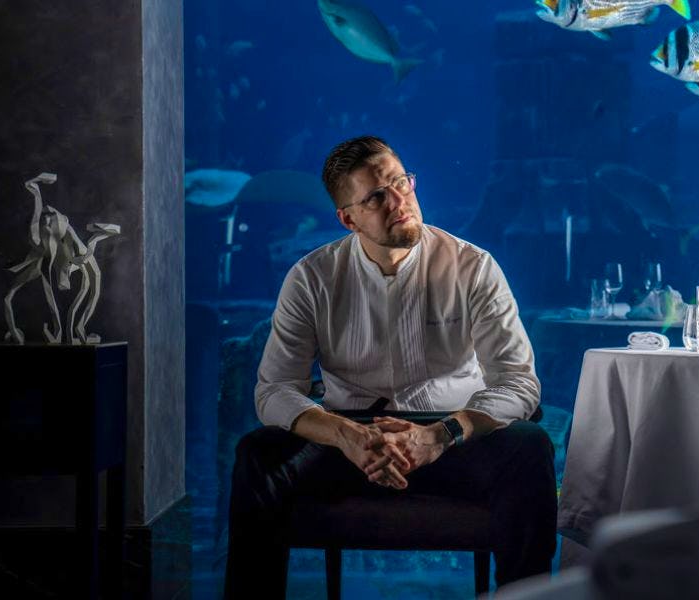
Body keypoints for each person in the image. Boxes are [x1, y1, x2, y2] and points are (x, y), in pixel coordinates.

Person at [224, 136, 556, 598]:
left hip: (450, 439)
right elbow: (274, 389)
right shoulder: (312, 277)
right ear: (348, 218)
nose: (399, 202)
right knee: (257, 455)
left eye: (402, 183)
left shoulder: (472, 267)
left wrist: (438, 435)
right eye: (377, 196)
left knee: (530, 447)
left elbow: (519, 383)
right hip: (348, 441)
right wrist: (346, 435)